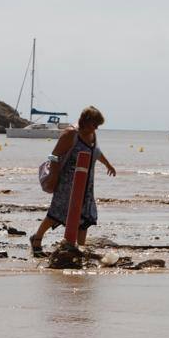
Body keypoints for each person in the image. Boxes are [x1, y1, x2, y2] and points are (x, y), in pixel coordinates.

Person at [30, 106, 116, 256]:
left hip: (87, 183)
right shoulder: (71, 134)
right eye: (94, 124)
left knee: (85, 216)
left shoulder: (92, 134)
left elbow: (96, 151)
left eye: (98, 125)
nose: (96, 128)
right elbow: (53, 156)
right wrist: (54, 177)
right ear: (86, 120)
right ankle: (37, 239)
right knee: (57, 213)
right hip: (66, 182)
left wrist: (108, 164)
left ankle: (79, 249)